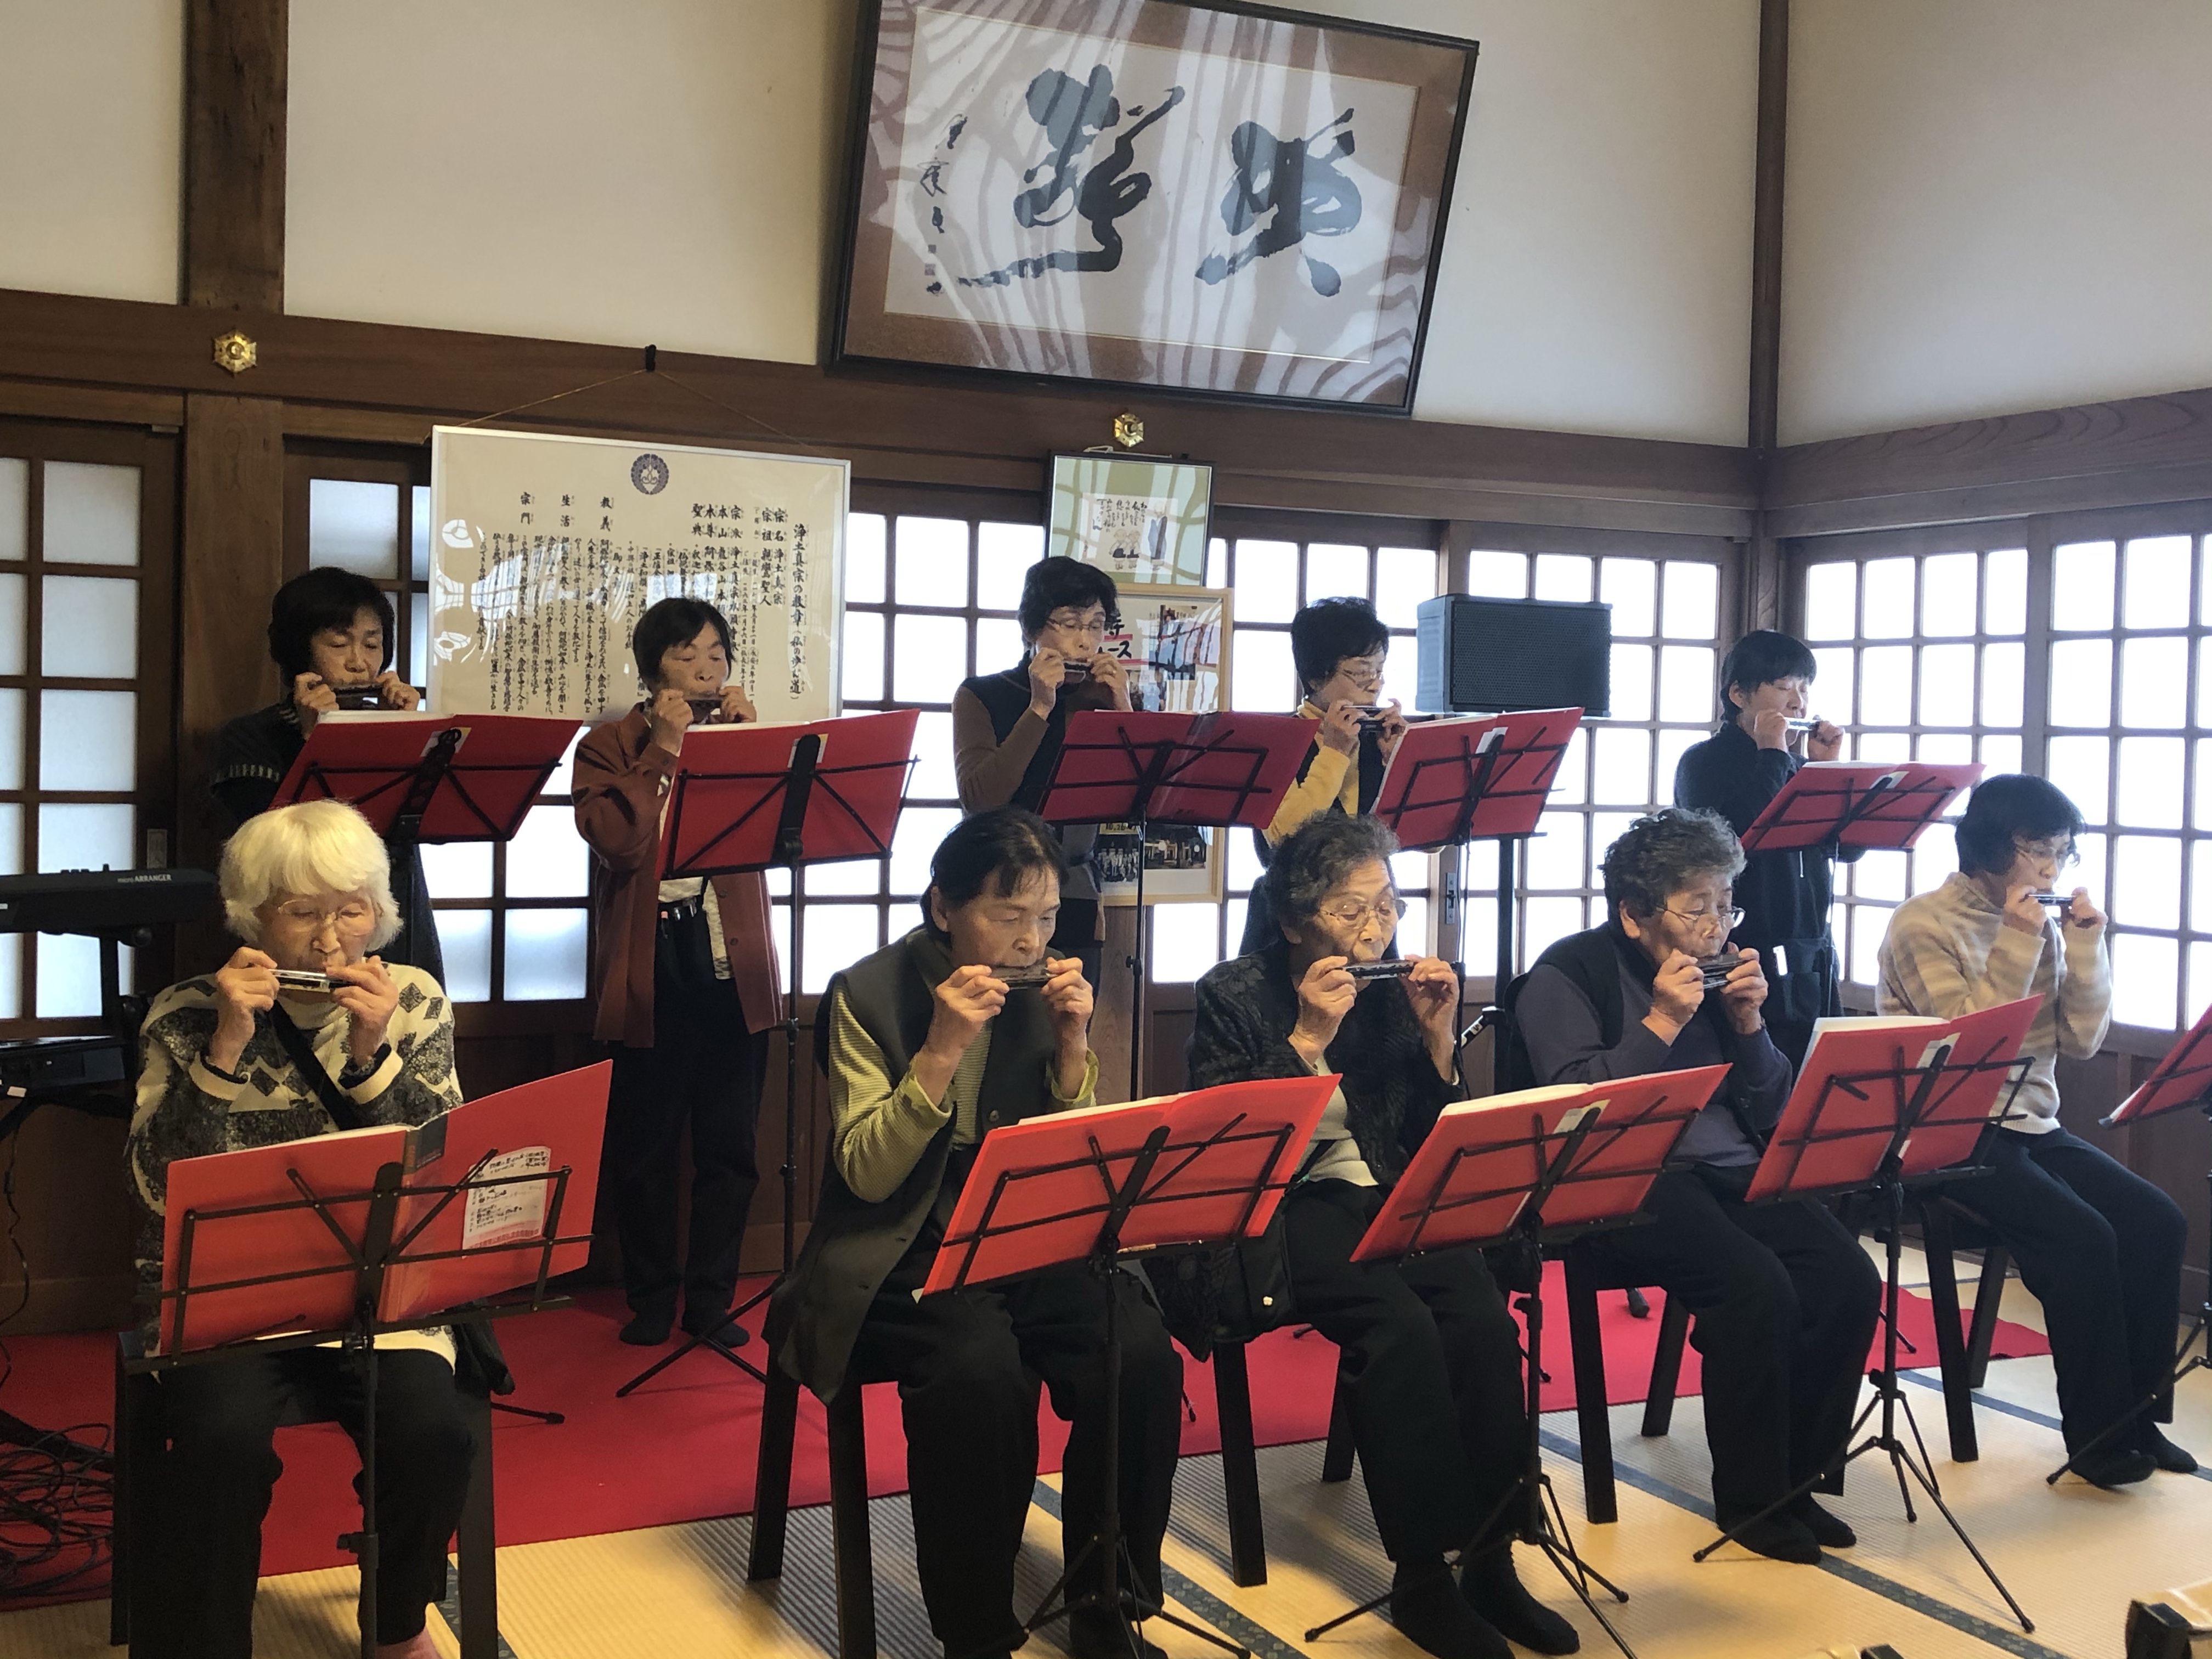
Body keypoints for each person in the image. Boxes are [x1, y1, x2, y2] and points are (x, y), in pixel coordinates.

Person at [767, 808, 1178, 1659]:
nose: (1032, 940)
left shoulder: (1044, 983)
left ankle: (1108, 1598)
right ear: (944, 907)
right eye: (1008, 914)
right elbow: (866, 1174)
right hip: (900, 1238)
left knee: (1137, 1349)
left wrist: (1074, 1049)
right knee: (978, 1372)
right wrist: (941, 1049)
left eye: (1047, 917)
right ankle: (976, 1631)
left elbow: (1075, 1155)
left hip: (1023, 1222)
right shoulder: (866, 994)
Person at [1190, 815, 1576, 1659]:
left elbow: (1428, 1139)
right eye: (1350, 910)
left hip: (1387, 1191)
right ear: (1294, 922)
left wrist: (1438, 1039)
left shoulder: (1392, 989)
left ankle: (1492, 1558)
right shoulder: (1232, 994)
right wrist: (1306, 1041)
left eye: (1387, 905)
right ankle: (1421, 1579)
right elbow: (1232, 1151)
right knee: (1398, 1326)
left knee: (1481, 1317)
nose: (1376, 927)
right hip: (1286, 1209)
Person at [125, 799, 469, 1659]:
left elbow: (441, 1163)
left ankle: (396, 1625)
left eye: (351, 910)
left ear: (379, 911)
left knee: (436, 1430)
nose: (329, 939)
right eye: (302, 912)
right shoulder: (185, 1012)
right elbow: (153, 1184)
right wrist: (224, 1048)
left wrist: (373, 1053)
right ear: (253, 915)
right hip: (233, 1303)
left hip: (376, 1293)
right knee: (220, 1443)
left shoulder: (413, 999)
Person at [1510, 808, 1880, 1564]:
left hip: (1729, 1164)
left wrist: (1748, 1025)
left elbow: (1771, 1109)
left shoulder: (1721, 974)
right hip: (1626, 1177)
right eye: (1698, 908)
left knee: (1846, 1276)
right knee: (1755, 1286)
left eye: (1726, 905)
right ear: (1635, 913)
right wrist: (1661, 1022)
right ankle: (1752, 1499)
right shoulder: (1565, 974)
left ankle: (1800, 1479)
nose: (1717, 927)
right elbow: (1578, 1110)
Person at [1878, 774, 2193, 1487]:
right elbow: (1971, 1050)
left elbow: (2081, 1040)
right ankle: (2100, 1439)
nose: (2053, 867)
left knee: (2155, 1221)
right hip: (1948, 1127)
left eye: (2062, 850)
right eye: (2039, 849)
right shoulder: (1921, 924)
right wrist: (2019, 943)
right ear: (1994, 847)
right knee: (2082, 1237)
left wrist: (2085, 946)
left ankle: (2139, 1418)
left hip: (2028, 1121)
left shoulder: (2040, 922)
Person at [574, 597, 782, 1348]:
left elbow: (782, 835)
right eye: (687, 654)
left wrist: (753, 747)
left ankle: (712, 1299)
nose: (706, 667)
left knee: (731, 1148)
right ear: (651, 665)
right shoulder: (608, 745)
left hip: (732, 965)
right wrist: (663, 749)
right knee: (646, 1149)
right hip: (652, 968)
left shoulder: (741, 737)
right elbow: (616, 843)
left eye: (717, 654)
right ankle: (652, 1297)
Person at [210, 566, 443, 986]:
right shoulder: (250, 737)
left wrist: (406, 736)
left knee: (408, 1018)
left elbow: (435, 824)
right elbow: (262, 846)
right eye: (338, 644)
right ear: (300, 650)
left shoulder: (387, 723)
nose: (359, 663)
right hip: (300, 930)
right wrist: (313, 739)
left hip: (395, 911)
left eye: (372, 644)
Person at [1674, 629, 1858, 1065]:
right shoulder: (1703, 761)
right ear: (1739, 694)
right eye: (1783, 687)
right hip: (1741, 944)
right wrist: (1773, 752)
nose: (1798, 703)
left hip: (1811, 950)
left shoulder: (1797, 765)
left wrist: (1826, 773)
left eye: (1805, 688)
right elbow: (1730, 844)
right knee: (1756, 1067)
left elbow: (1848, 849)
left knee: (1818, 1071)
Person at [952, 556, 1131, 984]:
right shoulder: (984, 694)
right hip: (997, 889)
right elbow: (981, 799)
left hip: (1075, 891)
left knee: (1072, 1013)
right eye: (1070, 624)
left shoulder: (1103, 700)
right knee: (996, 1014)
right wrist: (1039, 708)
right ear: (1031, 629)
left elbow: (1138, 802)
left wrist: (1124, 709)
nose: (1085, 641)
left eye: (1096, 625)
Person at [1236, 597, 1410, 954]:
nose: (1374, 685)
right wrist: (1334, 753)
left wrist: (1400, 763)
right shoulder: (1279, 741)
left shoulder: (1377, 739)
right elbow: (1284, 837)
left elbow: (1429, 839)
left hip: (1372, 917)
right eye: (1361, 672)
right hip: (1295, 925)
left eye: (1379, 671)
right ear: (1316, 676)